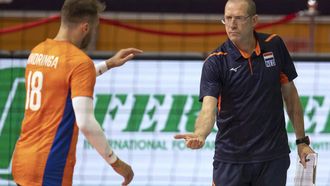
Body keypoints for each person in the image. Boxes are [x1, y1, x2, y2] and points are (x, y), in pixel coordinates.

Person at [174, 0, 314, 185]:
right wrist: (200, 134)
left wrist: (301, 141)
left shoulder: (275, 45)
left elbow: (291, 97)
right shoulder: (215, 62)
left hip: (273, 157)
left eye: (239, 18)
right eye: (227, 18)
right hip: (232, 160)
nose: (232, 24)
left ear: (254, 20)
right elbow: (208, 109)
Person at [11, 0, 142, 185]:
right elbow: (86, 123)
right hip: (50, 166)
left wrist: (108, 64)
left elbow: (63, 82)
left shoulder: (38, 52)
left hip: (22, 161)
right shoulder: (79, 62)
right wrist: (117, 163)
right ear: (85, 27)